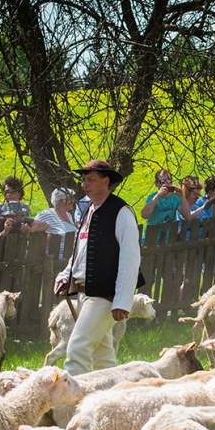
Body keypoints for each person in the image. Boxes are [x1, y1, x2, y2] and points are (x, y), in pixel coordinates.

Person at [54, 159, 143, 376]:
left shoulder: (121, 212)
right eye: (84, 179)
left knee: (77, 348)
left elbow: (131, 259)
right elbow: (80, 250)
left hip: (106, 295)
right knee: (103, 356)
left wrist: (123, 300)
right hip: (86, 292)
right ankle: (112, 401)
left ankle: (70, 403)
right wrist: (66, 275)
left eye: (91, 179)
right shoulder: (89, 212)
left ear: (106, 181)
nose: (85, 184)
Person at [32, 187, 78, 259]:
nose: (74, 201)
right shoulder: (47, 214)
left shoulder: (69, 215)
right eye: (71, 199)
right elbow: (32, 228)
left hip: (71, 259)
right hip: (55, 261)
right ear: (62, 201)